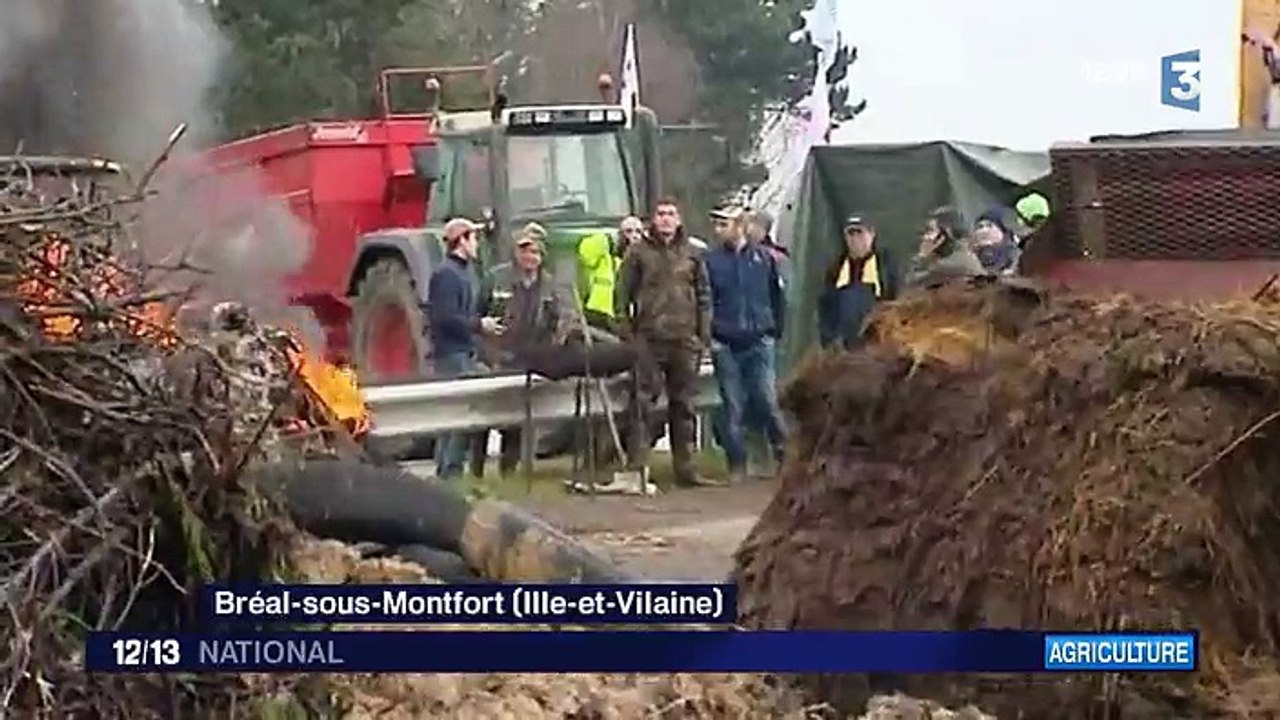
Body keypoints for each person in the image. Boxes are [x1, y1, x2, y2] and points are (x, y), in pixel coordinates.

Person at [615, 197, 718, 488]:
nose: (665, 219)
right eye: (660, 214)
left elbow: (704, 296)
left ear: (679, 219)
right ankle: (637, 468)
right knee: (642, 404)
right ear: (653, 219)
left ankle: (686, 470)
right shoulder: (637, 253)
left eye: (671, 214)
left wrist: (702, 335)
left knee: (684, 406)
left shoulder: (693, 253)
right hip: (649, 339)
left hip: (685, 340)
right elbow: (621, 296)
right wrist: (629, 335)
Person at [705, 202, 788, 483]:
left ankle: (784, 455)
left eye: (723, 224)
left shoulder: (764, 259)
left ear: (739, 225)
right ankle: (738, 464)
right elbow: (705, 301)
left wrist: (774, 330)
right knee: (733, 406)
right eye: (715, 224)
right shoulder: (711, 261)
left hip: (759, 339)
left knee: (767, 400)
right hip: (725, 342)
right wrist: (712, 336)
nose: (718, 230)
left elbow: (778, 298)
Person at [471, 229, 563, 478]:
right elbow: (475, 315)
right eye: (524, 250)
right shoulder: (496, 278)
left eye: (534, 251)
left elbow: (557, 321)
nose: (528, 256)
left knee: (515, 424)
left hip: (527, 361)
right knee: (482, 421)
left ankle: (508, 474)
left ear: (542, 255)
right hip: (494, 359)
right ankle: (475, 472)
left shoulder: (550, 285)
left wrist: (550, 351)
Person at [428, 217, 503, 479]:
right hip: (452, 355)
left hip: (461, 351)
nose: (478, 244)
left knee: (456, 419)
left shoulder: (460, 272)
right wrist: (479, 324)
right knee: (456, 420)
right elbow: (444, 318)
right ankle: (450, 475)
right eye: (474, 238)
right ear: (461, 240)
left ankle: (450, 474)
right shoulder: (447, 275)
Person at [818, 214, 899, 349]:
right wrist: (829, 340)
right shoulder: (837, 268)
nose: (855, 239)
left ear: (872, 234)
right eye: (851, 234)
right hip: (843, 344)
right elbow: (826, 307)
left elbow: (894, 299)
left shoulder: (884, 266)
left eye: (860, 233)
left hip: (875, 344)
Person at [906, 206, 986, 287]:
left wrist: (922, 256)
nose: (925, 237)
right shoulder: (965, 256)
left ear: (945, 234)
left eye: (930, 231)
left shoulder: (945, 266)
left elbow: (911, 283)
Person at [971, 208, 1021, 275]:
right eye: (980, 227)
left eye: (989, 226)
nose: (984, 231)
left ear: (1003, 233)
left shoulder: (1018, 258)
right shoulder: (968, 259)